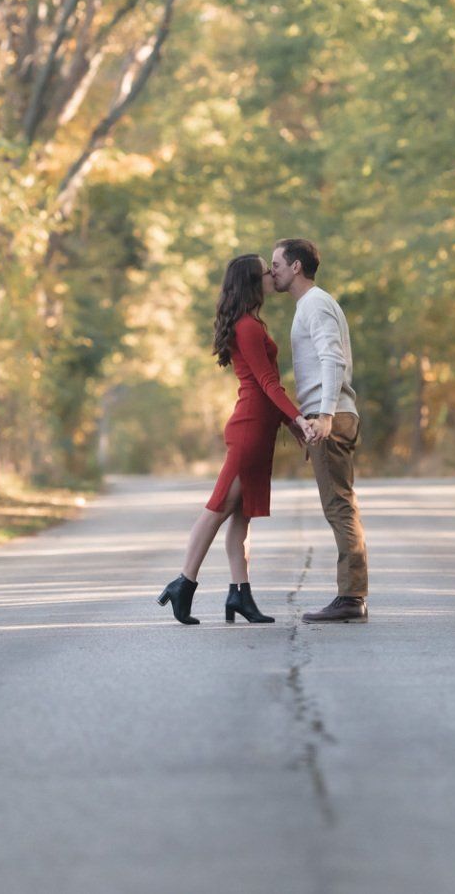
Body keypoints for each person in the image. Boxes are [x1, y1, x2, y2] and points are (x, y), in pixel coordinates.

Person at [159, 254, 311, 625]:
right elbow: (267, 383)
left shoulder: (251, 323)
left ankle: (239, 594)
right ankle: (183, 583)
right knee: (218, 508)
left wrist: (289, 425)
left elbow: (266, 384)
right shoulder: (247, 327)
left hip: (260, 427)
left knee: (241, 515)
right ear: (251, 282)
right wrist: (299, 419)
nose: (271, 274)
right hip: (248, 429)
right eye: (265, 271)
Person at [268, 237, 369, 624]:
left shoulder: (314, 303)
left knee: (339, 506)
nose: (272, 270)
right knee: (341, 505)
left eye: (277, 263)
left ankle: (350, 597)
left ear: (296, 266)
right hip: (328, 413)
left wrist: (324, 415)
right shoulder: (310, 305)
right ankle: (353, 595)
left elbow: (333, 358)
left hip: (332, 416)